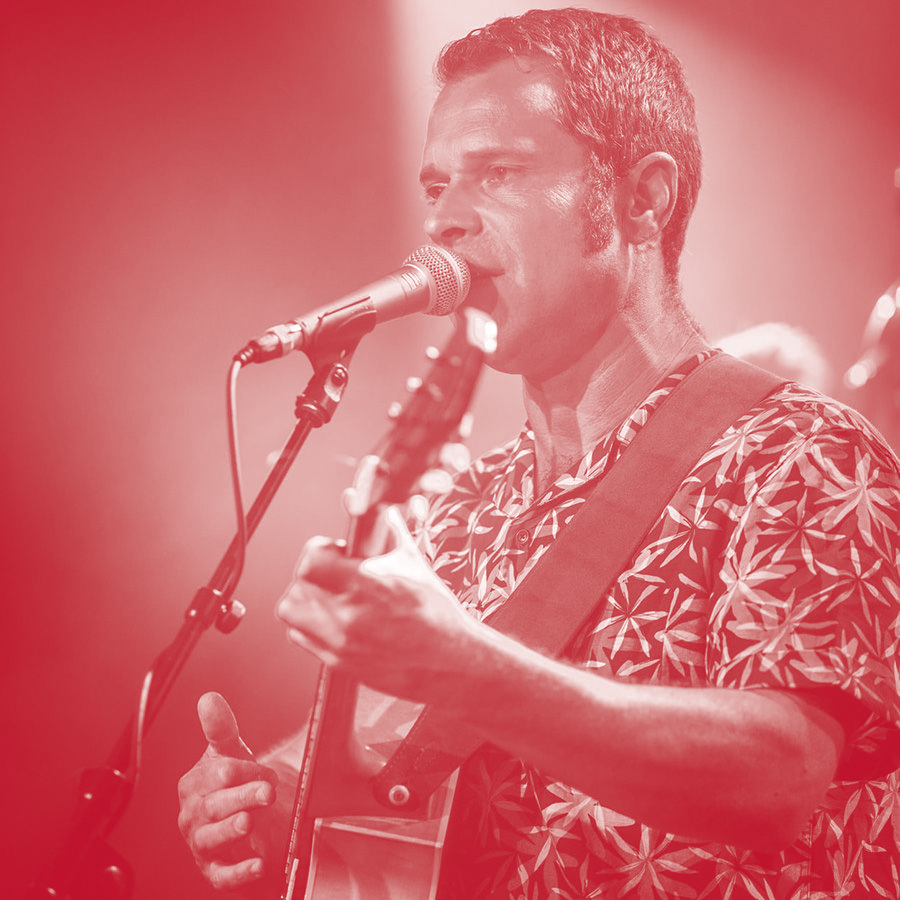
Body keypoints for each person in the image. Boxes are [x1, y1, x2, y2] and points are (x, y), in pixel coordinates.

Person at [177, 9, 900, 898]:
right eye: (437, 185)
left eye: (500, 173)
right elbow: (393, 756)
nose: (445, 219)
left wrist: (471, 669)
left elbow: (782, 776)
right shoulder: (462, 507)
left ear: (643, 199)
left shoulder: (804, 454)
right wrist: (273, 793)